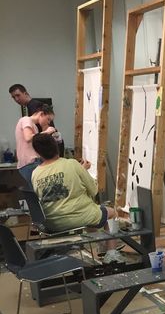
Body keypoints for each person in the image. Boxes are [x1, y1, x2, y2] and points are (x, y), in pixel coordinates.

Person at [30, 133, 124, 263]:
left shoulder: (35, 173)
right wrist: (83, 170)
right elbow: (94, 190)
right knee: (111, 213)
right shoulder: (72, 164)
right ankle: (111, 253)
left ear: (38, 153)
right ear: (56, 146)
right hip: (78, 217)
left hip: (52, 223)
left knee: (92, 214)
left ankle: (102, 245)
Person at [15, 105, 56, 187]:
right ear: (41, 114)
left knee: (42, 189)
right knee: (42, 189)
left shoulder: (35, 127)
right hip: (30, 163)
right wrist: (47, 132)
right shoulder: (26, 119)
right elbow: (28, 137)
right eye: (48, 119)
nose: (48, 122)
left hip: (33, 162)